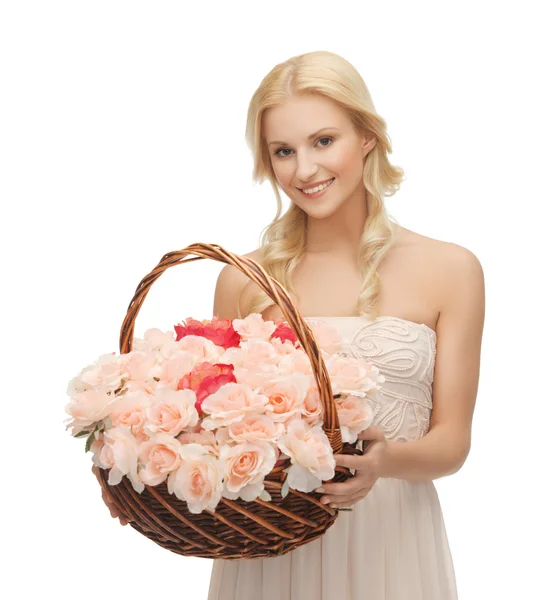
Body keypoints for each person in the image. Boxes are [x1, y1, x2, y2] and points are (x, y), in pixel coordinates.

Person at [96, 50, 485, 600]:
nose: (304, 170)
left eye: (324, 141)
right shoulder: (243, 280)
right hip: (269, 545)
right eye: (283, 151)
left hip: (390, 540)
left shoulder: (452, 269)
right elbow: (209, 431)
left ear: (367, 137)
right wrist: (141, 468)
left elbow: (452, 444)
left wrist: (384, 461)